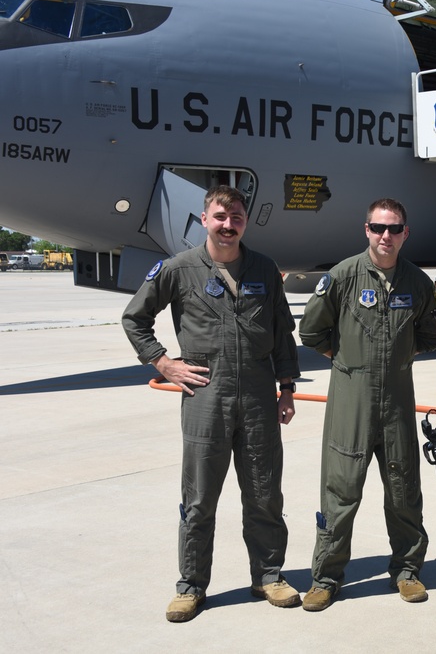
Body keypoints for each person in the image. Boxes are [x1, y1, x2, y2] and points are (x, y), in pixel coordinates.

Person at [121, 185, 301, 623]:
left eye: (236, 216)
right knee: (200, 498)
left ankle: (269, 575)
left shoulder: (263, 267)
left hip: (259, 398)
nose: (228, 224)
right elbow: (135, 318)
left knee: (263, 494)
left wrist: (287, 389)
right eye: (220, 216)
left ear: (245, 219)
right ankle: (191, 585)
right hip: (206, 398)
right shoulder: (179, 268)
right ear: (205, 219)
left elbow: (282, 330)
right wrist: (163, 363)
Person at [298, 198, 436, 611]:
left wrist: (396, 359)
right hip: (352, 400)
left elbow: (432, 334)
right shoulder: (343, 276)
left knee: (403, 489)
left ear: (405, 233)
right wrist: (347, 361)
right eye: (378, 228)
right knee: (341, 490)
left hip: (398, 400)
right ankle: (326, 577)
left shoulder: (417, 282)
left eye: (394, 228)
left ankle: (408, 569)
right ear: (366, 230)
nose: (386, 236)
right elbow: (311, 332)